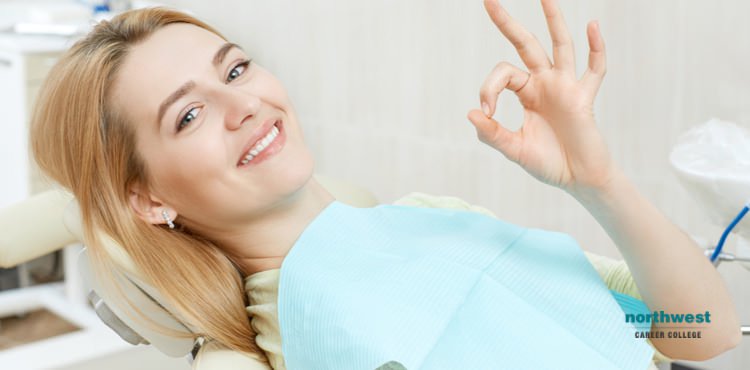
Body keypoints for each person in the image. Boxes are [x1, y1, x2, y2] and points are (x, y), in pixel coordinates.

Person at [29, 0, 739, 368]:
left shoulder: (433, 217)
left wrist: (599, 181)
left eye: (236, 69)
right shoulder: (293, 335)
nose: (243, 106)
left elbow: (694, 331)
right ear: (149, 200)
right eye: (188, 115)